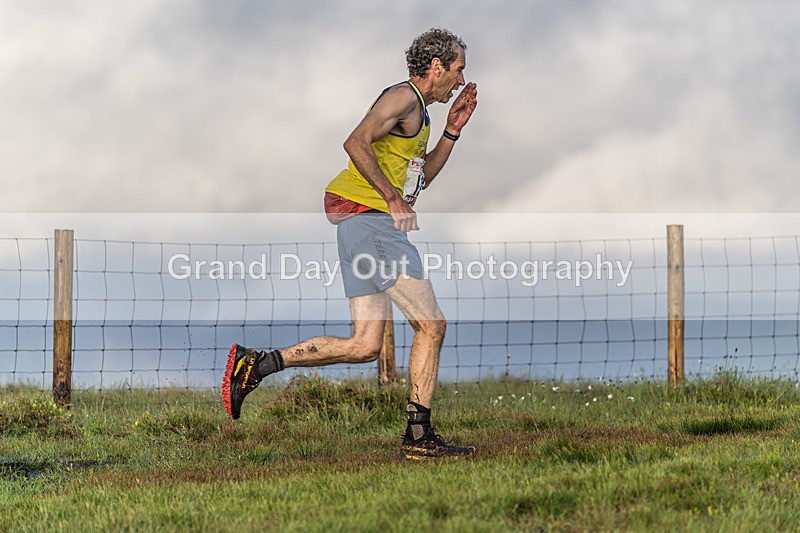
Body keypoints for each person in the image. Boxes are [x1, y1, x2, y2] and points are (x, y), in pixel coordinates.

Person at [222, 28, 478, 460]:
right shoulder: (403, 98)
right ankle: (418, 437)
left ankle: (258, 364)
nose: (459, 79)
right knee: (431, 325)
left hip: (363, 227)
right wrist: (393, 199)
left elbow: (421, 180)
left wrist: (451, 131)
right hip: (370, 222)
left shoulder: (421, 115)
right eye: (458, 70)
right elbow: (355, 141)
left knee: (364, 346)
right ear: (436, 67)